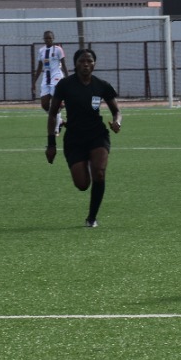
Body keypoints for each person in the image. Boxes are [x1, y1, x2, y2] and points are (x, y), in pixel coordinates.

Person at [45, 48, 121, 228]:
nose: (86, 64)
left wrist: (118, 122)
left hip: (97, 135)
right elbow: (52, 113)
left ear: (94, 64)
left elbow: (116, 111)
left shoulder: (102, 85)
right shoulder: (65, 85)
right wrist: (51, 144)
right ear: (75, 64)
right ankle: (86, 162)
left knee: (100, 174)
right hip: (74, 138)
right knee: (82, 185)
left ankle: (92, 218)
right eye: (82, 61)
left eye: (89, 61)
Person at [32, 30, 69, 135]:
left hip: (56, 77)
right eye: (46, 38)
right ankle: (60, 121)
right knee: (44, 105)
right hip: (46, 79)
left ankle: (56, 129)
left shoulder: (58, 50)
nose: (48, 39)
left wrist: (69, 79)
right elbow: (39, 67)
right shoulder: (41, 51)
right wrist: (33, 82)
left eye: (50, 38)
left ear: (53, 38)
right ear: (43, 39)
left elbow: (64, 65)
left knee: (55, 104)